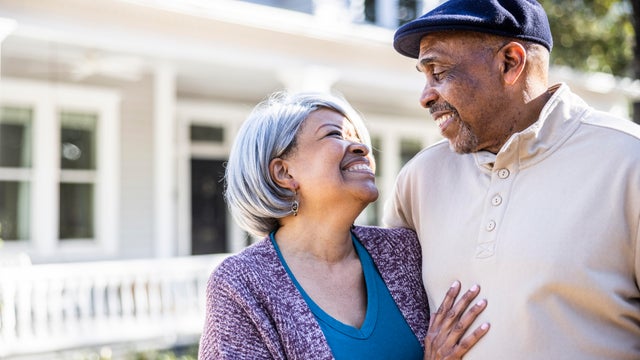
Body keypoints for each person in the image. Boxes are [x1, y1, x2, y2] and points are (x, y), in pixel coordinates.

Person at [385, 0, 640, 359]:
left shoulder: (629, 160)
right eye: (424, 76)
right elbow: (391, 329)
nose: (425, 96)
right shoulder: (418, 179)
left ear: (510, 63)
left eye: (438, 72)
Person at [198, 91, 490, 359]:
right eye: (335, 134)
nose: (362, 147)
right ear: (283, 172)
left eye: (358, 137)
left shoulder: (403, 252)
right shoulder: (240, 285)